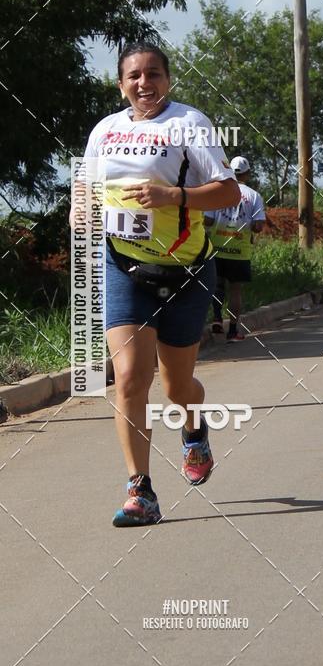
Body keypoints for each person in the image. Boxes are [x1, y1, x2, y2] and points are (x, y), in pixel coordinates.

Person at [73, 42, 240, 527]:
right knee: (128, 379)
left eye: (153, 74)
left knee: (177, 384)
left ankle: (193, 428)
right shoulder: (105, 130)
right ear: (121, 83)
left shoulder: (190, 123)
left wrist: (174, 196)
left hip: (185, 271)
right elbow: (84, 186)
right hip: (124, 268)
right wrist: (79, 215)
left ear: (168, 79)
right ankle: (139, 490)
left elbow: (227, 191)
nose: (144, 84)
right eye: (134, 76)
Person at [205, 155, 266, 343]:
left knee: (216, 284)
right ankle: (232, 331)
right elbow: (258, 225)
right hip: (240, 251)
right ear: (247, 174)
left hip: (217, 247)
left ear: (229, 171)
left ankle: (216, 318)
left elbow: (208, 220)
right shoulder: (254, 196)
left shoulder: (219, 192)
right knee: (235, 290)